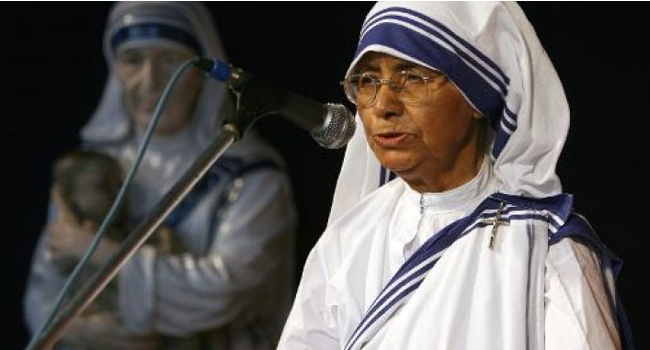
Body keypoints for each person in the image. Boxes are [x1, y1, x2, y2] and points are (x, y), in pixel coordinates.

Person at [277, 2, 633, 350]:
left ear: (477, 95)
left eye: (412, 77)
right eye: (368, 80)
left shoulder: (547, 249)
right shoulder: (346, 241)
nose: (383, 105)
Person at [24, 2, 297, 350]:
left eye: (170, 61)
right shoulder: (89, 169)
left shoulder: (252, 178)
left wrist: (91, 250)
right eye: (133, 60)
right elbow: (45, 287)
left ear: (202, 71)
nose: (150, 82)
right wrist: (79, 330)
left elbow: (223, 293)